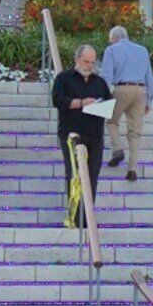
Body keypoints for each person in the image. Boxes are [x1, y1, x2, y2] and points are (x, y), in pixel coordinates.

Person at [48, 42, 108, 215]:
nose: (89, 66)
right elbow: (58, 100)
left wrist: (101, 107)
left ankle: (87, 214)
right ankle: (75, 215)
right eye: (86, 61)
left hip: (95, 135)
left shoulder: (100, 82)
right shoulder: (64, 79)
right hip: (72, 133)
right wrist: (81, 103)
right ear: (77, 59)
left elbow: (108, 102)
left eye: (92, 62)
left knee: (92, 175)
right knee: (75, 174)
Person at [98, 26, 153, 180]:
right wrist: (149, 101)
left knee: (111, 121)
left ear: (114, 39)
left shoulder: (111, 50)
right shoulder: (142, 50)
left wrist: (102, 97)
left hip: (122, 88)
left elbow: (106, 76)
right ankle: (132, 169)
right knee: (135, 133)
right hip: (141, 91)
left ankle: (117, 150)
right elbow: (150, 78)